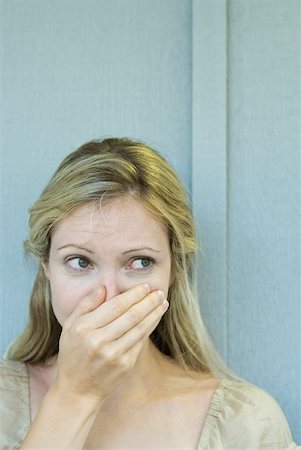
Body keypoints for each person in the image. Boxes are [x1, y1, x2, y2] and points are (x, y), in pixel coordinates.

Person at [0, 137, 298, 450]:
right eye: (80, 262)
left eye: (140, 262)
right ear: (46, 267)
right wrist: (74, 394)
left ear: (174, 270)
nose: (110, 295)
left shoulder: (244, 425)